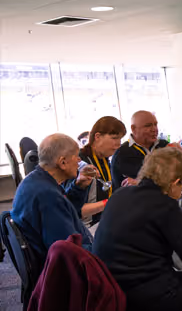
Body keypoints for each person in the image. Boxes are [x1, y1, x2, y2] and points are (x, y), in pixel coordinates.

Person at [94, 148, 182, 311]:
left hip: (110, 288)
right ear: (175, 182)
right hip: (148, 294)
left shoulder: (120, 195)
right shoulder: (164, 205)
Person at [11, 134, 95, 262]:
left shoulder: (36, 180)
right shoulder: (48, 197)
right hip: (68, 267)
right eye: (76, 157)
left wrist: (79, 186)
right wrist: (102, 249)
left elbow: (67, 209)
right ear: (62, 162)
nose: (79, 161)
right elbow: (69, 252)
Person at [79, 116, 126, 226]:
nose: (119, 144)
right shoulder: (81, 164)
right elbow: (75, 209)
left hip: (105, 223)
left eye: (120, 139)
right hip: (87, 229)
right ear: (97, 137)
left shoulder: (104, 160)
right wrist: (110, 203)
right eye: (114, 138)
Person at [111, 110, 168, 189]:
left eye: (155, 124)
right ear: (133, 128)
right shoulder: (123, 154)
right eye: (148, 126)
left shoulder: (164, 146)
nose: (154, 129)